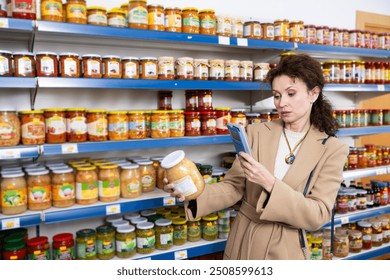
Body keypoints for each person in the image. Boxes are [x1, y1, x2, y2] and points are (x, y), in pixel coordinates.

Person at [163, 54, 349, 260]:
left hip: (284, 247)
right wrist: (192, 193)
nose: (281, 103)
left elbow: (318, 214)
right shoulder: (255, 133)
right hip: (244, 238)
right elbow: (233, 186)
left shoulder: (332, 149)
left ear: (313, 94)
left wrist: (269, 183)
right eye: (277, 95)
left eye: (291, 93)